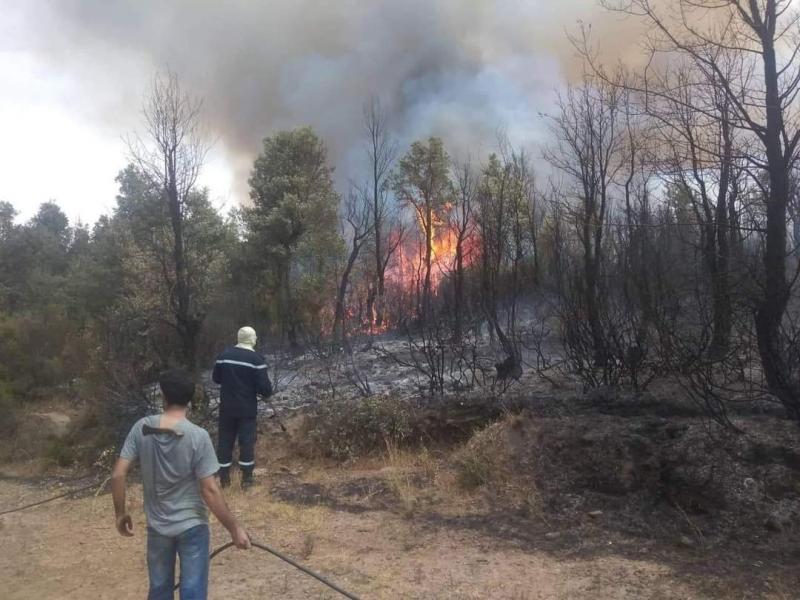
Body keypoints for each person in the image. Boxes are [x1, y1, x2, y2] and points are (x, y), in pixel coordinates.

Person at [111, 368, 250, 600]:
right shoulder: (198, 436)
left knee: (159, 590)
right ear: (190, 399)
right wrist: (234, 528)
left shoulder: (141, 427)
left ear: (163, 397)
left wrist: (120, 513)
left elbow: (118, 475)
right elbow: (210, 490)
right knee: (193, 592)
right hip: (192, 526)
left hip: (158, 527)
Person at [212, 326, 273, 489]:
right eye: (254, 336)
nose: (256, 339)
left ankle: (224, 479)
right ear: (250, 338)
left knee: (225, 441)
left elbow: (216, 378)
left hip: (227, 408)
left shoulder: (224, 356)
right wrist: (264, 392)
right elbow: (265, 388)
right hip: (246, 409)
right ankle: (246, 479)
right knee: (246, 442)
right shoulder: (256, 359)